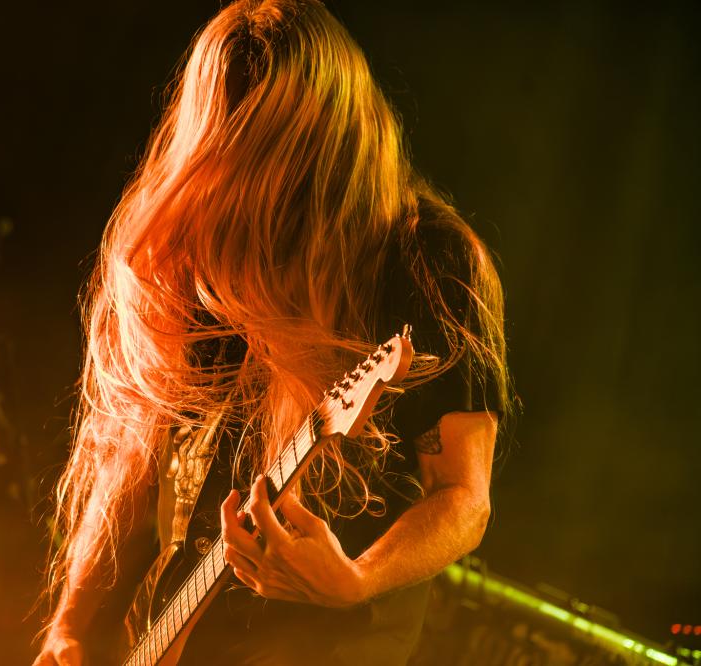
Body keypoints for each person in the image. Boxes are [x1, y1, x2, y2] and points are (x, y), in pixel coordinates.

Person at [35, 1, 513, 664]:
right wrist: (71, 624)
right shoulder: (198, 250)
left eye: (270, 151)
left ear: (329, 140)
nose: (251, 180)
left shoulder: (428, 262)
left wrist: (358, 578)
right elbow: (133, 460)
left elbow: (464, 497)